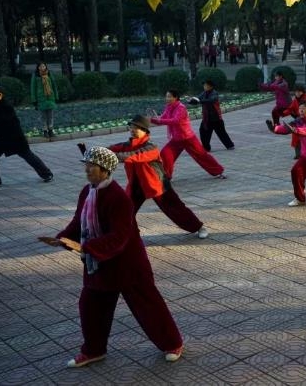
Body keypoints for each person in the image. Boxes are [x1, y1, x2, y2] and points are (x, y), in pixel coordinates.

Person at [38, 147, 183, 368]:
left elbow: (120, 236)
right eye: (85, 165)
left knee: (148, 306)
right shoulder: (87, 192)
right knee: (90, 306)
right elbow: (79, 222)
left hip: (128, 264)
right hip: (98, 263)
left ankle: (172, 343)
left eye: (91, 166)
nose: (86, 170)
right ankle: (93, 350)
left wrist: (85, 247)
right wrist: (63, 238)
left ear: (105, 170)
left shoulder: (119, 198)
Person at [103, 114, 209, 239]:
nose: (132, 130)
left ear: (144, 131)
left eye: (136, 128)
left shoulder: (151, 147)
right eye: (131, 127)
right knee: (125, 209)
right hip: (136, 185)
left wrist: (113, 156)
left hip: (157, 184)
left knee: (175, 208)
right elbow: (112, 149)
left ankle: (199, 227)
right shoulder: (127, 144)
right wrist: (100, 151)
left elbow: (133, 156)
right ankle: (127, 236)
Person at [150, 89, 227, 180]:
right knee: (165, 154)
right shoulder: (169, 107)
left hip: (188, 138)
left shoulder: (181, 107)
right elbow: (162, 119)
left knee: (202, 155)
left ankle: (218, 171)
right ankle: (166, 176)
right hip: (176, 139)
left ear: (176, 97)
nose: (167, 98)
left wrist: (158, 120)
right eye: (167, 96)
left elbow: (176, 121)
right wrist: (152, 120)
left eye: (170, 96)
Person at [0, 85, 53, 186]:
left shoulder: (6, 107)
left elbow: (5, 122)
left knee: (28, 156)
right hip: (1, 140)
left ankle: (47, 174)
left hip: (15, 138)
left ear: (0, 95)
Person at [188, 79, 234, 151]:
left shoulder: (214, 93)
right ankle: (206, 148)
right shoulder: (204, 93)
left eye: (206, 85)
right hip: (207, 118)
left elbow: (210, 100)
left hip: (216, 119)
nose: (204, 86)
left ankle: (230, 145)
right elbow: (198, 98)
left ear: (211, 86)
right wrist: (192, 101)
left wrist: (200, 101)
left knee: (221, 133)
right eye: (204, 85)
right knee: (203, 132)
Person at [279, 85, 306, 159]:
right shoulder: (295, 100)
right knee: (296, 136)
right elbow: (290, 109)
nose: (297, 93)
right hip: (299, 119)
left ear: (302, 92)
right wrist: (283, 113)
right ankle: (298, 154)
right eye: (296, 92)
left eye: (299, 92)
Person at [30, 62, 59, 138]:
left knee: (50, 116)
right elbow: (33, 88)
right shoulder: (35, 75)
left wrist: (56, 96)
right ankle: (45, 131)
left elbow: (53, 85)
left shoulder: (49, 74)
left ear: (46, 67)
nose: (43, 67)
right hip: (41, 99)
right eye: (41, 66)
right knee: (43, 117)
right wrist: (34, 100)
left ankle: (51, 130)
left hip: (50, 98)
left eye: (44, 66)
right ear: (38, 67)